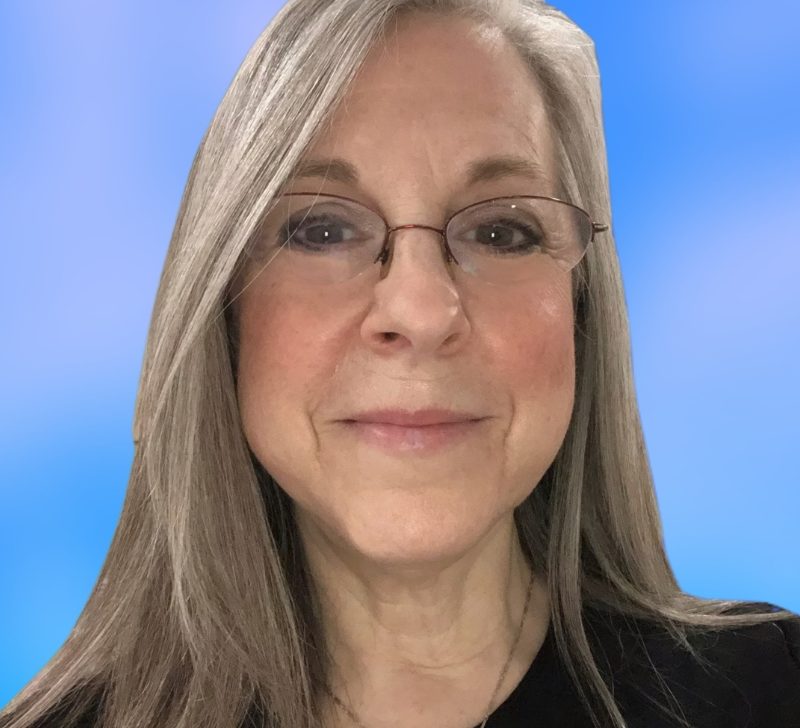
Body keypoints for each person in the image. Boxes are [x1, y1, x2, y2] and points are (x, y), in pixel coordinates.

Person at [1, 1, 798, 727]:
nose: (419, 313)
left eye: (501, 232)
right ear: (221, 310)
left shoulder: (771, 690)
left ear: (584, 311)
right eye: (320, 230)